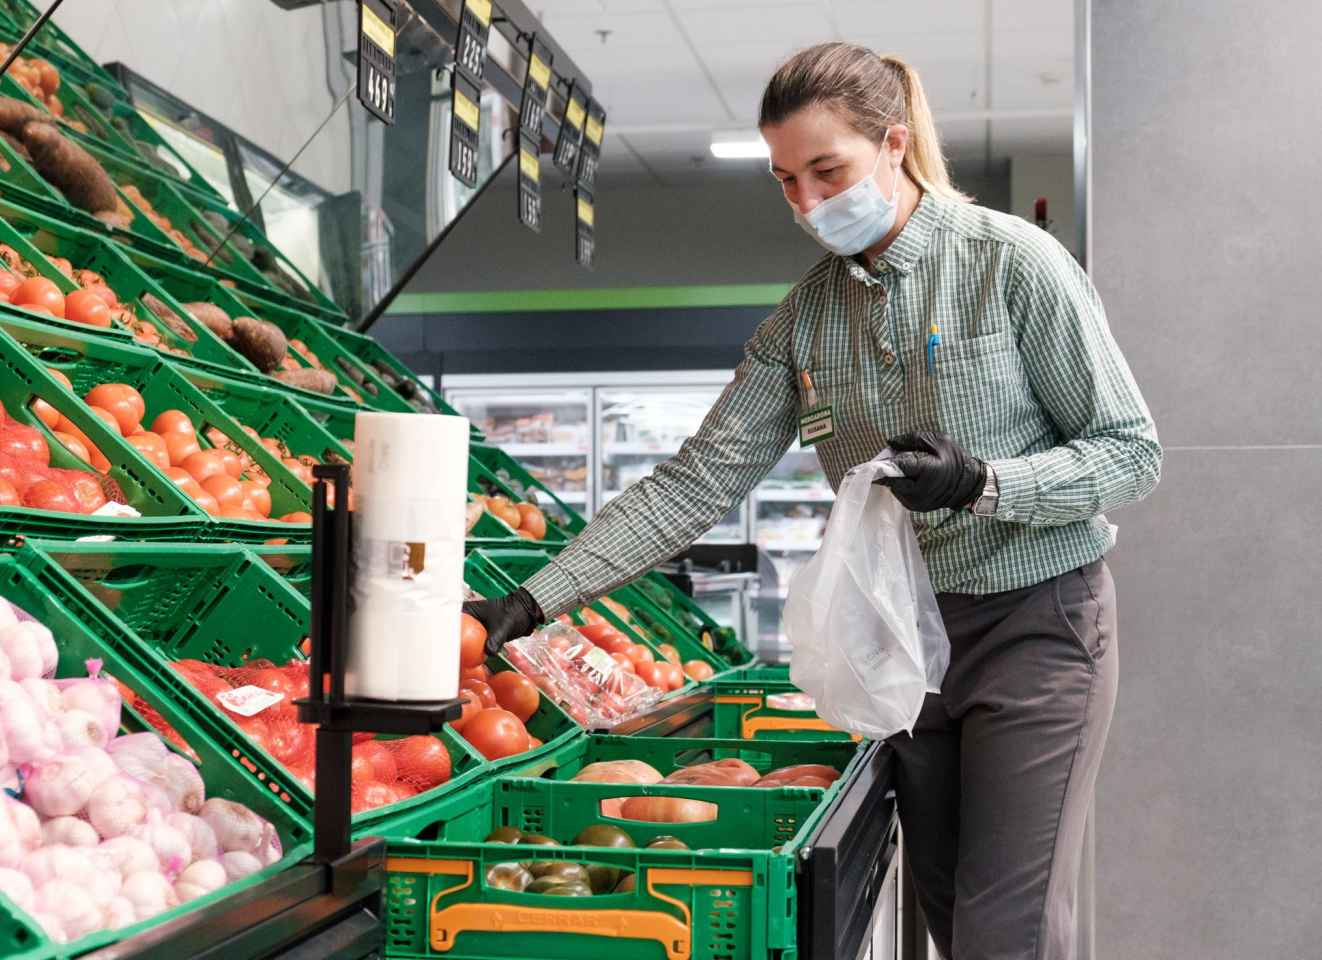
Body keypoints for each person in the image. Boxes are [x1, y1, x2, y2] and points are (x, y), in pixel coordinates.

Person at [465, 41, 1160, 960]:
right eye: (786, 181)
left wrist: (989, 483)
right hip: (909, 642)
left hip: (1038, 624)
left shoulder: (1014, 265)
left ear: (894, 145)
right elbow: (697, 479)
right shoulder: (804, 323)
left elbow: (1131, 453)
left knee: (1009, 927)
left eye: (826, 170)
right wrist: (533, 598)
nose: (807, 202)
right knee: (952, 914)